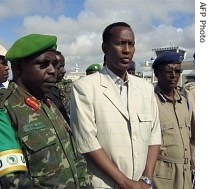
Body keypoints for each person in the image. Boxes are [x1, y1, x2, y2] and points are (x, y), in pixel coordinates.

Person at [70, 22, 161, 189]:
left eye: (131, 44)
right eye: (120, 43)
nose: (127, 50)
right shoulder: (84, 88)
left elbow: (154, 136)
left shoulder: (146, 89)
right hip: (105, 184)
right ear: (105, 47)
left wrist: (146, 179)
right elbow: (87, 143)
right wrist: (126, 183)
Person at [0, 34, 92, 188]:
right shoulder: (5, 109)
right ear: (18, 67)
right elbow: (14, 181)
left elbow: (77, 159)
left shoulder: (47, 104)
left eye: (54, 64)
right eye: (43, 64)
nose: (52, 71)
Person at [151, 51, 193, 189]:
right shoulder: (151, 102)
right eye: (168, 70)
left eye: (178, 70)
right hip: (162, 178)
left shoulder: (185, 102)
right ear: (157, 73)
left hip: (185, 174)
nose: (174, 75)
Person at [46, 50, 71, 125]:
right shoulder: (45, 93)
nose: (64, 71)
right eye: (59, 66)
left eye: (63, 66)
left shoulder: (55, 90)